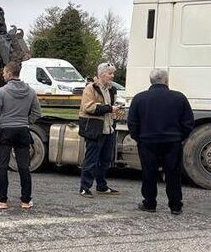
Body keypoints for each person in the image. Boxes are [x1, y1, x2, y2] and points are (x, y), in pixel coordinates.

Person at [128, 69, 194, 214]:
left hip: (147, 142)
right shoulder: (179, 98)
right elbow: (188, 122)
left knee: (149, 173)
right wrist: (179, 137)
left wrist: (139, 138)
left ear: (151, 81)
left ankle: (150, 204)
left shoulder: (139, 98)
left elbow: (132, 123)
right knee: (173, 174)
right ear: (166, 80)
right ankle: (175, 206)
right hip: (172, 142)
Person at [0, 62, 41, 209]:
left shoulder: (2, 91)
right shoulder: (30, 91)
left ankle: (2, 201)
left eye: (5, 73)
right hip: (22, 130)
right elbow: (37, 113)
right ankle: (26, 200)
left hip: (6, 130)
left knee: (2, 166)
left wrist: (0, 124)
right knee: (24, 166)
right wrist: (26, 121)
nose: (3, 75)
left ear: (10, 74)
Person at [78, 62, 120, 197]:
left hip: (108, 128)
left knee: (106, 160)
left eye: (113, 73)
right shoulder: (90, 88)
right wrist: (109, 108)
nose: (112, 76)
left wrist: (115, 108)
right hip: (95, 129)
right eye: (110, 73)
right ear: (101, 74)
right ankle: (84, 187)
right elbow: (88, 107)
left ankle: (101, 186)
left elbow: (107, 107)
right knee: (91, 159)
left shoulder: (112, 90)